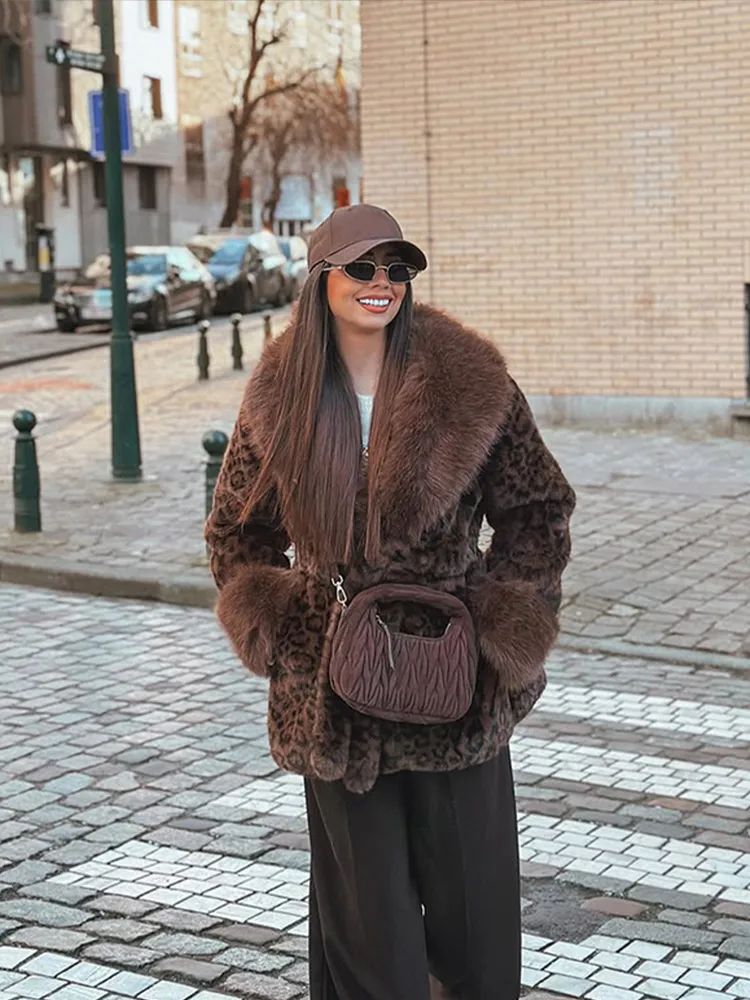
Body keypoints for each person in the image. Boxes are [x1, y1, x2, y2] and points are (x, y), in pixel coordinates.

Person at [205, 203, 575, 1000]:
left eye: (397, 269)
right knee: (369, 941)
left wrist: (501, 623)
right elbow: (238, 529)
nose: (382, 285)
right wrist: (280, 628)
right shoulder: (283, 392)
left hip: (458, 691)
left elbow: (538, 509)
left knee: (474, 930)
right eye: (363, 268)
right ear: (321, 278)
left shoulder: (471, 379)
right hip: (334, 700)